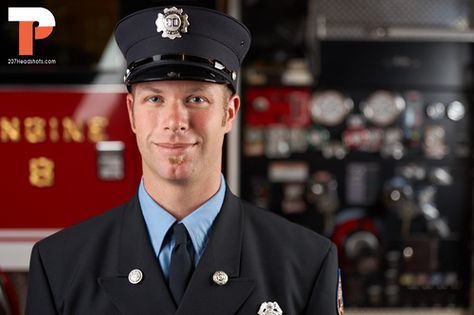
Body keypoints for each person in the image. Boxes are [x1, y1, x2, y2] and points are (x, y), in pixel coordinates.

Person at [26, 5, 343, 315]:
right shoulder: (58, 266)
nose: (175, 121)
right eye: (154, 99)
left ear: (229, 113)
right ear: (131, 113)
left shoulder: (307, 263)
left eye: (196, 99)